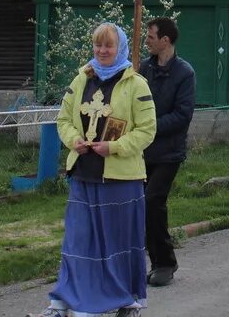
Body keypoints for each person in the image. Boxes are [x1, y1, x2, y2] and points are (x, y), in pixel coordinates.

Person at [33, 23, 156, 317]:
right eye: (98, 45)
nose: (102, 51)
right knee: (78, 240)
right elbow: (63, 119)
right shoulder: (81, 79)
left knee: (117, 241)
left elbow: (147, 130)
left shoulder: (136, 83)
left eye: (108, 46)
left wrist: (113, 147)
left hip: (120, 177)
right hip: (84, 172)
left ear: (121, 49)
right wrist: (73, 139)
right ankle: (63, 301)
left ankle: (127, 300)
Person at [138, 17, 195, 287]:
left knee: (152, 202)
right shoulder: (143, 69)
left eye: (150, 36)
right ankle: (137, 262)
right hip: (140, 151)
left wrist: (148, 128)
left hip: (169, 152)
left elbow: (182, 115)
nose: (146, 40)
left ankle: (164, 263)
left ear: (166, 40)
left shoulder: (184, 73)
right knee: (136, 205)